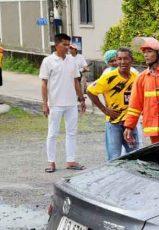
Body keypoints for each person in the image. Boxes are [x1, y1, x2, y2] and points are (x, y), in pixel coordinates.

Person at [39, 33, 86, 173]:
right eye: (64, 45)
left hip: (71, 103)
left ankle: (70, 161)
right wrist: (44, 103)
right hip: (55, 104)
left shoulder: (72, 61)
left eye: (68, 45)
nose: (67, 47)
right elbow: (44, 83)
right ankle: (51, 162)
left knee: (71, 133)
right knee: (52, 133)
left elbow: (76, 81)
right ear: (56, 44)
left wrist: (81, 99)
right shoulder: (48, 61)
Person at [87, 47, 140, 160]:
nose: (122, 62)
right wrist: (105, 110)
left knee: (135, 157)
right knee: (114, 158)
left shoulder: (136, 77)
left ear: (132, 60)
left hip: (130, 124)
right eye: (119, 59)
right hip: (114, 124)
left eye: (125, 59)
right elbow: (90, 91)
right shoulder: (109, 77)